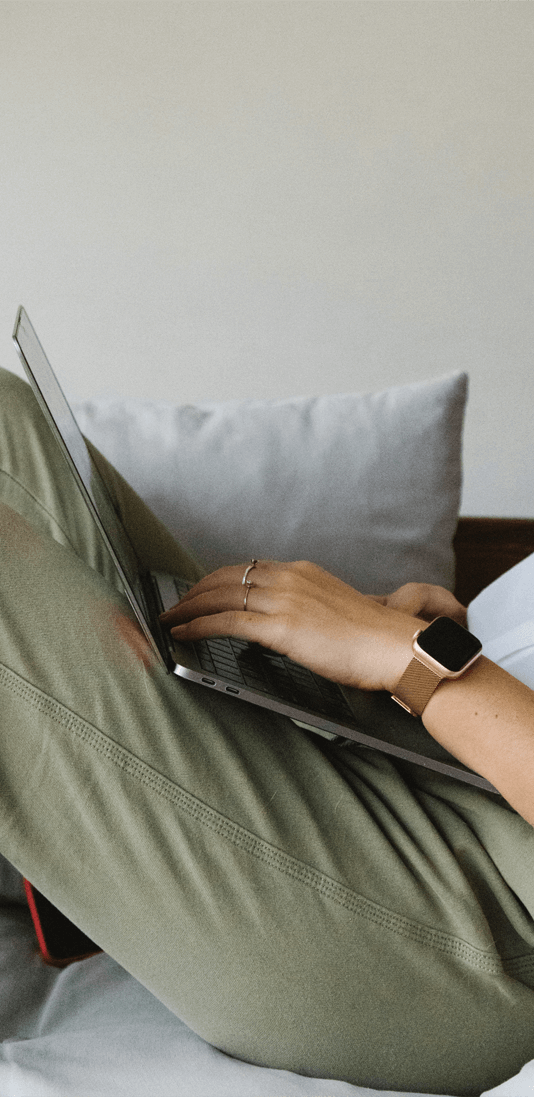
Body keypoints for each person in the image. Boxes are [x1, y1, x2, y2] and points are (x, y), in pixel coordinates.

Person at [0, 365, 533, 1095]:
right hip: (439, 760)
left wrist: (411, 660)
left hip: (483, 925)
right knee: (8, 419)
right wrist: (445, 646)